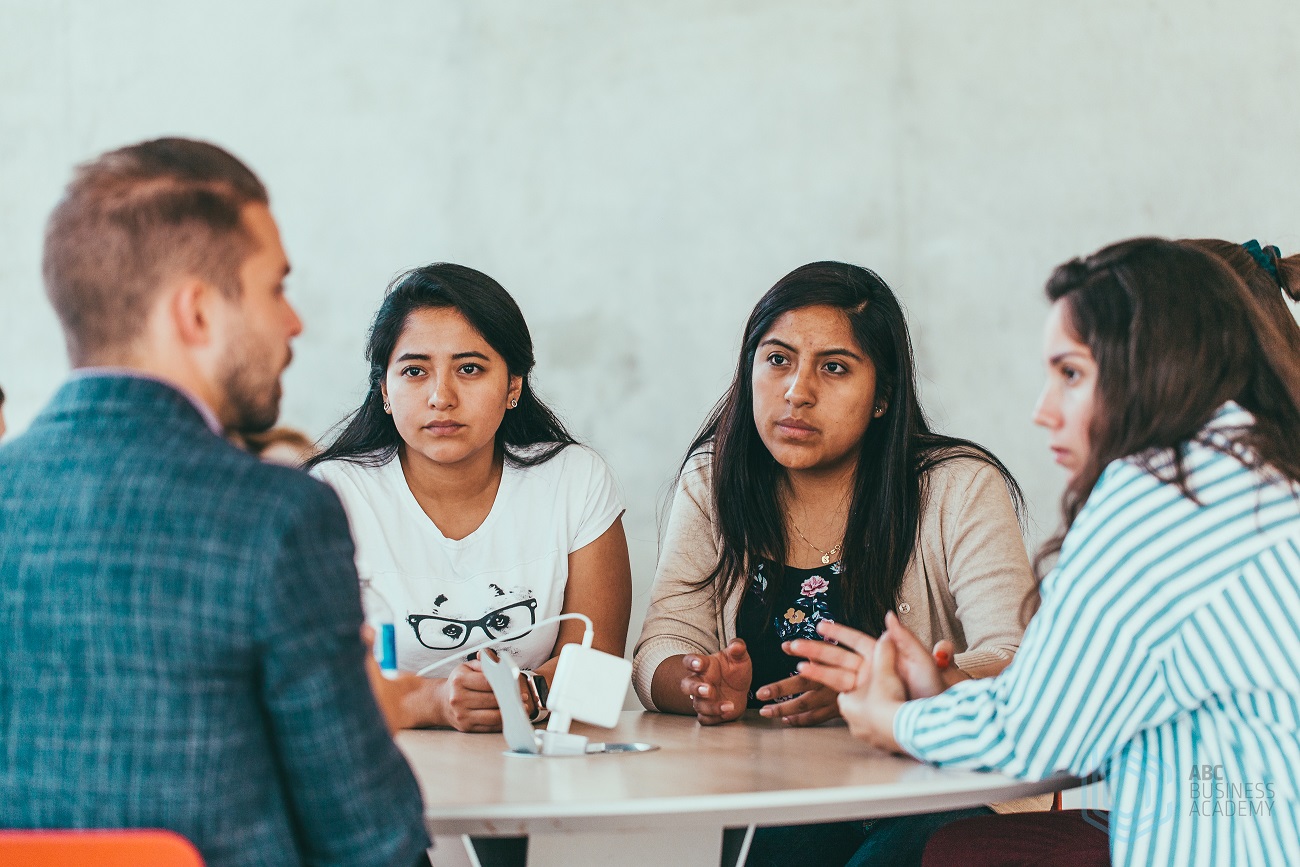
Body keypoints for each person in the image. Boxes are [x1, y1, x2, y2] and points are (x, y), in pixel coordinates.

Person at [796, 238, 1300, 866]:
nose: (1043, 410)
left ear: (1153, 365)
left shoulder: (1161, 502)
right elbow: (1069, 700)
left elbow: (1038, 735)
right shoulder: (1256, 471)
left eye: (1071, 374)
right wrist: (943, 697)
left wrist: (894, 721)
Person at [0, 138, 430, 867]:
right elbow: (371, 841)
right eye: (275, 287)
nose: (294, 322)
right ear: (197, 313)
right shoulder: (275, 517)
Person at [632, 261, 1040, 866]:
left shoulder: (958, 487)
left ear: (883, 397)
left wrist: (883, 684)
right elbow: (662, 642)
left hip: (928, 793)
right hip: (767, 797)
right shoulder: (712, 480)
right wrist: (696, 684)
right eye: (777, 360)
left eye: (835, 368)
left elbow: (1018, 661)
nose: (798, 390)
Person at [307, 263, 632, 734]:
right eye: (415, 371)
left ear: (513, 386)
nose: (442, 396)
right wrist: (434, 702)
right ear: (384, 390)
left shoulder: (574, 480)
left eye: (470, 369)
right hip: (384, 775)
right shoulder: (333, 495)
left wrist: (526, 693)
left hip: (539, 776)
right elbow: (313, 680)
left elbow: (599, 675)